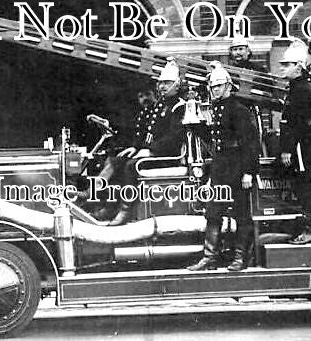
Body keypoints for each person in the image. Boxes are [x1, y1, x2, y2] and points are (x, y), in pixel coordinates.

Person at [187, 62, 260, 272]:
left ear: (228, 86)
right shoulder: (218, 109)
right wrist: (196, 126)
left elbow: (250, 143)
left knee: (241, 213)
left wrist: (248, 172)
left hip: (237, 165)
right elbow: (216, 140)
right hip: (221, 166)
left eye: (218, 86)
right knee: (213, 211)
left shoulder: (239, 110)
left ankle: (240, 258)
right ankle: (209, 257)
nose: (214, 90)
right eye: (212, 87)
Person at [107, 59, 187, 225]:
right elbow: (150, 132)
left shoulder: (179, 106)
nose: (162, 87)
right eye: (161, 83)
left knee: (131, 166)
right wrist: (137, 147)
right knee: (118, 160)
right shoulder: (161, 105)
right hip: (155, 152)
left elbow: (174, 137)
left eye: (167, 83)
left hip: (167, 156)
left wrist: (151, 150)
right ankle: (110, 206)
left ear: (176, 85)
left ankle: (126, 210)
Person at [278, 39, 311, 245]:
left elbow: (296, 124)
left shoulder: (302, 90)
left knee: (307, 187)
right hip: (301, 145)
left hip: (303, 146)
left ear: (298, 67)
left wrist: (287, 149)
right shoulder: (296, 88)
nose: (282, 68)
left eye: (286, 65)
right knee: (302, 185)